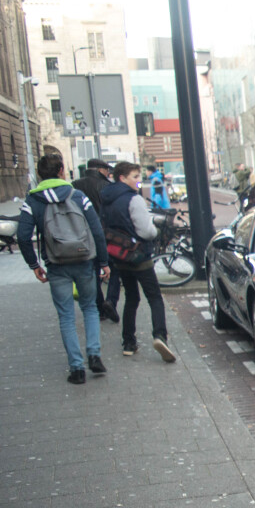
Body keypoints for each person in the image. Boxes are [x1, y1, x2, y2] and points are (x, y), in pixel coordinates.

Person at [18, 153, 112, 384]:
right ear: (62, 171)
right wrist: (103, 262)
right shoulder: (78, 196)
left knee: (66, 316)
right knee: (90, 308)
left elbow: (22, 236)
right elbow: (97, 230)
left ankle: (77, 369)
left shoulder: (32, 201)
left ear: (40, 174)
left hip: (56, 263)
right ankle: (94, 355)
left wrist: (34, 265)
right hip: (84, 261)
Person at [101, 162, 175, 363]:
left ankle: (128, 342)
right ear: (122, 178)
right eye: (134, 176)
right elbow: (146, 231)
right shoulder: (133, 199)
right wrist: (155, 231)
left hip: (118, 255)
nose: (138, 181)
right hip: (139, 255)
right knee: (154, 297)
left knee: (132, 298)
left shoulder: (106, 198)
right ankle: (160, 336)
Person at [74, 159, 120, 322]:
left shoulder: (75, 185)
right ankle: (111, 302)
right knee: (114, 268)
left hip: (84, 234)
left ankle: (100, 308)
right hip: (107, 233)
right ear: (101, 170)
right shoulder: (107, 186)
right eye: (107, 170)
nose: (108, 173)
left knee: (93, 270)